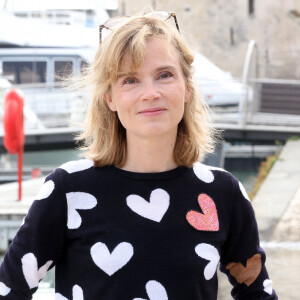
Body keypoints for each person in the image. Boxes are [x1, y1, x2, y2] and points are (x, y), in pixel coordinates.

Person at [0, 11, 277, 300]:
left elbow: (256, 292)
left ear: (188, 89)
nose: (151, 92)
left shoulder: (222, 193)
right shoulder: (68, 189)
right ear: (110, 98)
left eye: (165, 75)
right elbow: (9, 289)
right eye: (130, 80)